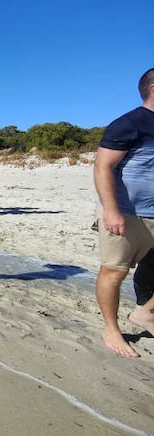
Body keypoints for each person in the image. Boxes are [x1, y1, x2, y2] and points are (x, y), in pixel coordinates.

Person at [93, 67, 154, 358]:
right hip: (128, 214)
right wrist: (111, 210)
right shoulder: (130, 123)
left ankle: (144, 313)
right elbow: (103, 166)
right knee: (114, 272)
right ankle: (111, 329)